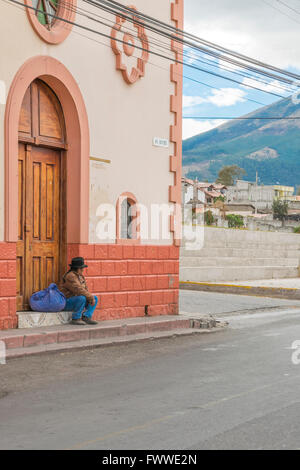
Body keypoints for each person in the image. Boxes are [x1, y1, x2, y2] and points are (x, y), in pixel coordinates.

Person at [60, 257, 98, 326]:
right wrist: (89, 297)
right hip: (67, 301)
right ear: (78, 268)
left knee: (94, 298)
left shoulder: (80, 276)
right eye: (82, 268)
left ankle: (86, 316)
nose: (83, 270)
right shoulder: (70, 276)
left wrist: (90, 297)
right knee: (82, 298)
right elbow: (78, 289)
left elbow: (85, 290)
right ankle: (76, 318)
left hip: (77, 300)